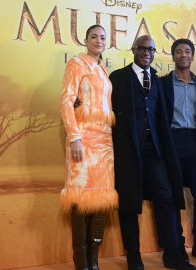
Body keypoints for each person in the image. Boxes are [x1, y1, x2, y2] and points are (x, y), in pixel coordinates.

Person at [109, 35, 196, 270]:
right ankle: (134, 256)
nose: (147, 52)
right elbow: (103, 108)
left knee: (165, 199)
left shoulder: (157, 80)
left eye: (151, 49)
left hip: (154, 150)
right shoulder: (118, 78)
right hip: (128, 150)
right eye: (142, 48)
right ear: (133, 50)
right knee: (129, 203)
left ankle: (171, 254)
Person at [59, 25, 118, 270]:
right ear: (85, 40)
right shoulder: (77, 63)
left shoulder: (104, 70)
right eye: (94, 36)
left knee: (101, 199)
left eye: (103, 37)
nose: (98, 40)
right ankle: (81, 262)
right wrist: (75, 138)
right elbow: (66, 101)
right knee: (81, 200)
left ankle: (94, 262)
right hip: (83, 138)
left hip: (104, 141)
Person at [160, 39, 196, 264]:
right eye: (178, 52)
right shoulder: (162, 84)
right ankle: (178, 246)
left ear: (192, 56)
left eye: (187, 51)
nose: (183, 55)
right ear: (173, 56)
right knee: (173, 196)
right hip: (172, 142)